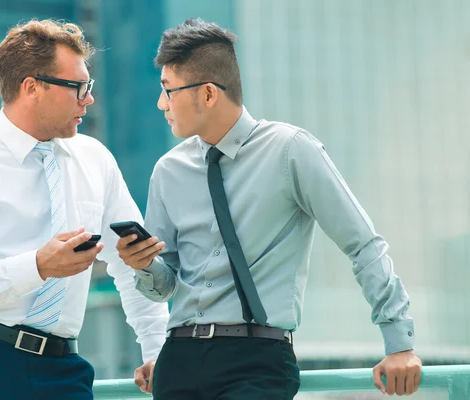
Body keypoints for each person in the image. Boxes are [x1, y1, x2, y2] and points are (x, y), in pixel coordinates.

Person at [116, 18, 422, 399]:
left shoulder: (291, 150)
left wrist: (399, 342)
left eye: (168, 91)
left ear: (208, 94)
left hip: (257, 359)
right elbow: (165, 287)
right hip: (179, 359)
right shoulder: (168, 171)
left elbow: (363, 244)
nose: (162, 103)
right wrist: (143, 263)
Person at [0, 19, 168, 400]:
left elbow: (128, 263)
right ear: (32, 87)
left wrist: (155, 350)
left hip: (64, 369)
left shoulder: (95, 159)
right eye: (78, 87)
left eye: (90, 86)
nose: (89, 99)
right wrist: (37, 266)